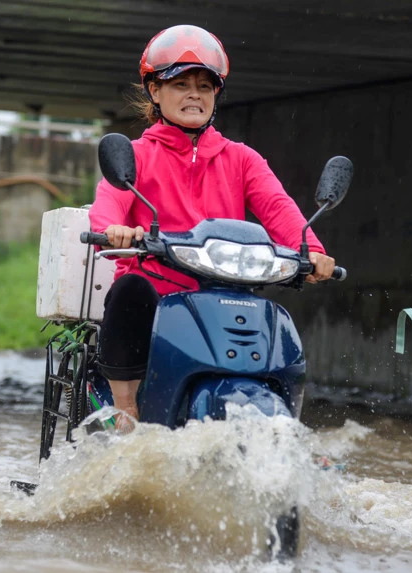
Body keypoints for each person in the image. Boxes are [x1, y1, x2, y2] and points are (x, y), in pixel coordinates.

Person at [88, 24, 335, 428]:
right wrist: (115, 229)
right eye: (180, 84)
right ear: (154, 91)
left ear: (215, 95)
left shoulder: (241, 158)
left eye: (204, 86)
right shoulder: (136, 156)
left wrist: (312, 249)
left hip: (224, 292)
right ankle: (126, 408)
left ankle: (284, 431)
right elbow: (109, 202)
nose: (194, 95)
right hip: (157, 291)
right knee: (129, 288)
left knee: (274, 323)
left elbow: (277, 207)